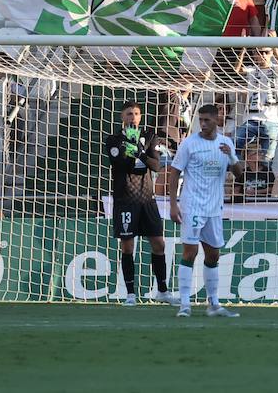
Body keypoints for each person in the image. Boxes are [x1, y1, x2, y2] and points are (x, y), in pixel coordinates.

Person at [168, 102, 244, 318]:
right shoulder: (189, 144)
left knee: (213, 254)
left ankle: (213, 304)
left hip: (214, 208)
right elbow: (174, 173)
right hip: (192, 206)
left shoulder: (225, 142)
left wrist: (231, 156)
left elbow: (239, 174)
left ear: (217, 119)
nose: (202, 124)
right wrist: (173, 204)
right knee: (190, 253)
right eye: (200, 120)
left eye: (206, 120)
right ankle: (185, 305)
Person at [103, 100, 176, 307]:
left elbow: (155, 166)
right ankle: (130, 294)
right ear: (121, 117)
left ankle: (162, 291)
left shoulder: (150, 136)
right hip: (125, 199)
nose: (133, 117)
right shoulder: (113, 140)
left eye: (136, 113)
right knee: (127, 247)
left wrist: (138, 151)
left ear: (140, 116)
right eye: (128, 114)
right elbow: (121, 165)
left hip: (147, 200)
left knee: (159, 243)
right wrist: (132, 152)